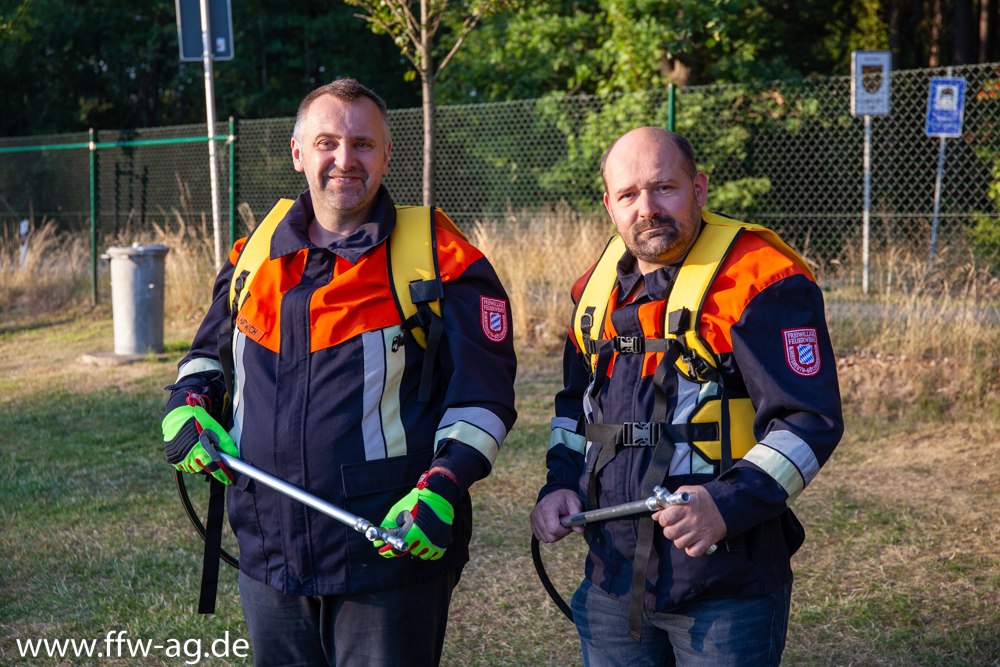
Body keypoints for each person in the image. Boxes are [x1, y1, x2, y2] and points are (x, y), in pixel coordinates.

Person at [161, 79, 517, 667]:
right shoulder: (253, 255)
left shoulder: (440, 259)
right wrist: (189, 403)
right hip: (267, 547)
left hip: (388, 556)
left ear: (386, 154)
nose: (344, 160)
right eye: (327, 142)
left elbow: (483, 396)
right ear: (298, 152)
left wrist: (447, 484)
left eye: (362, 144)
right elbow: (206, 358)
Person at [530, 127, 843, 666]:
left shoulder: (760, 279)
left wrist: (726, 504)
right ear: (609, 205)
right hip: (611, 580)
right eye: (628, 195)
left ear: (698, 188)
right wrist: (560, 483)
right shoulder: (593, 290)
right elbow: (574, 408)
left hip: (727, 587)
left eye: (663, 188)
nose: (646, 208)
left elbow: (807, 420)